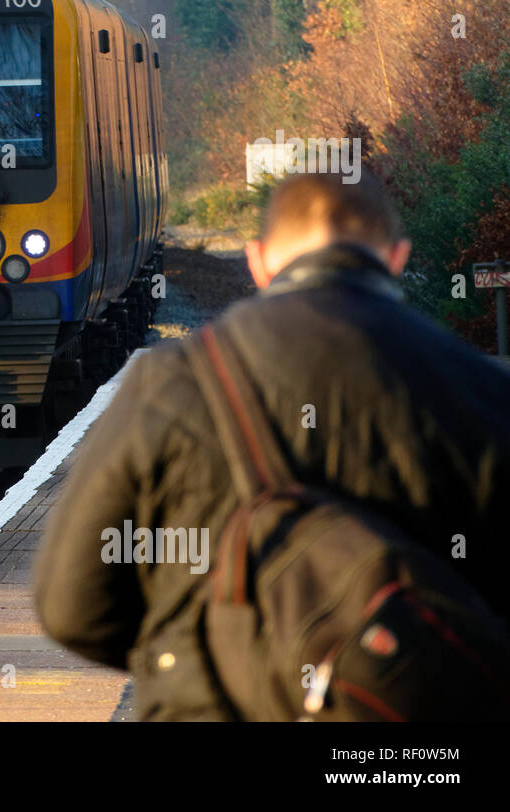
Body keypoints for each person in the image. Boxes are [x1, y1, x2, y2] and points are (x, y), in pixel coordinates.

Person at [32, 172, 510, 720]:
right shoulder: (482, 391)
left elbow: (70, 607)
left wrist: (184, 659)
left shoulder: (173, 384)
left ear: (257, 261)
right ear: (397, 258)